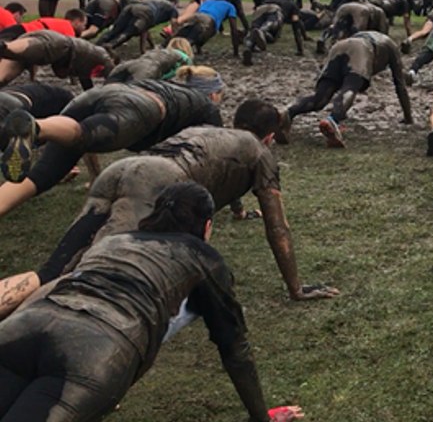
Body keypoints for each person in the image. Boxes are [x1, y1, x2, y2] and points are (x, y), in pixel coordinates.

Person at [0, 102, 337, 318]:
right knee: (91, 273)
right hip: (156, 182)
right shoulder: (261, 155)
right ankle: (23, 333)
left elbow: (223, 178)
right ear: (269, 137)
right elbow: (277, 228)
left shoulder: (217, 134)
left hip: (123, 169)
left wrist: (237, 211)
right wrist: (296, 287)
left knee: (58, 266)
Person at [0, 182, 304, 422]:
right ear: (208, 226)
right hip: (94, 348)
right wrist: (260, 417)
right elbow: (235, 348)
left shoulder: (113, 241)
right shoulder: (203, 257)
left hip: (28, 323)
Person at [0, 67, 225, 218]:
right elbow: (223, 158)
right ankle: (37, 128)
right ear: (213, 93)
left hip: (101, 94)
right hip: (142, 108)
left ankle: (39, 128)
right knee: (83, 134)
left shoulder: (170, 87)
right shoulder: (208, 109)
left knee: (44, 174)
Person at [286, 30, 413, 148]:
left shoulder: (367, 35)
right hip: (362, 49)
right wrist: (408, 117)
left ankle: (289, 112)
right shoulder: (391, 47)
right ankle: (333, 120)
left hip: (339, 46)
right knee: (350, 87)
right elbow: (400, 85)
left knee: (320, 97)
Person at [0, 27, 111, 91]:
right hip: (56, 44)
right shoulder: (103, 56)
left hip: (47, 46)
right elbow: (114, 76)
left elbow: (86, 84)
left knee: (2, 78)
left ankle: (5, 47)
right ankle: (4, 46)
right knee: (8, 49)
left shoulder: (85, 65)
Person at [95, 0, 179, 54]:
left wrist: (149, 47)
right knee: (127, 33)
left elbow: (145, 30)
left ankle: (96, 46)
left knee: (115, 30)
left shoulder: (155, 0)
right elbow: (174, 24)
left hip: (131, 7)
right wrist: (173, 38)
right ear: (174, 2)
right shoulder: (172, 8)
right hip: (146, 12)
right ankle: (109, 47)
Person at [172, 0, 243, 55]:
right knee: (198, 36)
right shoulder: (230, 6)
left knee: (185, 32)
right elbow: (233, 29)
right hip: (209, 19)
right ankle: (180, 52)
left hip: (196, 15)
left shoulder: (208, 1)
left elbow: (200, 14)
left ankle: (168, 46)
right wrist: (236, 52)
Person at [106, 38, 194, 83]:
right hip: (148, 69)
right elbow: (173, 75)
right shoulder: (185, 58)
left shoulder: (160, 51)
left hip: (132, 63)